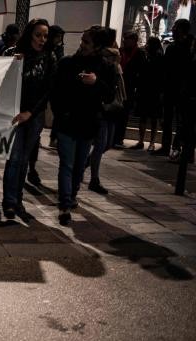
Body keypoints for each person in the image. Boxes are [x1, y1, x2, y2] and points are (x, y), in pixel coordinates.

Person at [51, 26, 116, 226]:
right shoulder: (68, 63)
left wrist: (96, 83)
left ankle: (72, 196)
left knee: (79, 166)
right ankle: (64, 205)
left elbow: (110, 96)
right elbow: (56, 92)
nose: (82, 45)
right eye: (82, 40)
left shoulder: (105, 67)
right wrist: (60, 115)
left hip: (88, 124)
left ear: (97, 46)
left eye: (86, 42)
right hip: (67, 123)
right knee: (67, 165)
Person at [1, 19, 57, 220]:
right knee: (14, 158)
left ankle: (17, 199)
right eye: (38, 35)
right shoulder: (12, 54)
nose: (42, 39)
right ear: (29, 35)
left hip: (34, 116)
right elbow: (2, 83)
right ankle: (9, 202)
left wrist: (31, 113)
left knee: (24, 159)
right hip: (14, 114)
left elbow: (48, 90)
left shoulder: (49, 57)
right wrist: (13, 65)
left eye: (45, 35)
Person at [87, 26, 126, 195]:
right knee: (101, 144)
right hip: (103, 106)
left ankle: (83, 165)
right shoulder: (108, 56)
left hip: (113, 104)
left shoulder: (113, 55)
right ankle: (94, 179)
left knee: (107, 143)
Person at [154, 19, 194, 159]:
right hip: (171, 88)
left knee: (182, 121)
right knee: (170, 119)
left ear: (181, 30)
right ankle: (168, 147)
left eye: (175, 27)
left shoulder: (189, 47)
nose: (172, 29)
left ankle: (177, 148)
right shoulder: (175, 47)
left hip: (182, 90)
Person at [131, 36, 164, 151]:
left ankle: (152, 142)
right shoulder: (145, 56)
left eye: (148, 44)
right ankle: (141, 141)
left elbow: (161, 76)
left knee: (153, 118)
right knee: (143, 117)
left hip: (153, 90)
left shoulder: (159, 58)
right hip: (145, 90)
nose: (146, 45)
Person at [114, 31, 144, 149]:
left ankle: (119, 138)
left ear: (134, 41)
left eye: (127, 39)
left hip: (130, 87)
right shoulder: (121, 51)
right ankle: (114, 137)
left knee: (124, 114)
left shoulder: (139, 53)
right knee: (116, 112)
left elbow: (141, 72)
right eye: (124, 38)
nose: (124, 41)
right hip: (119, 86)